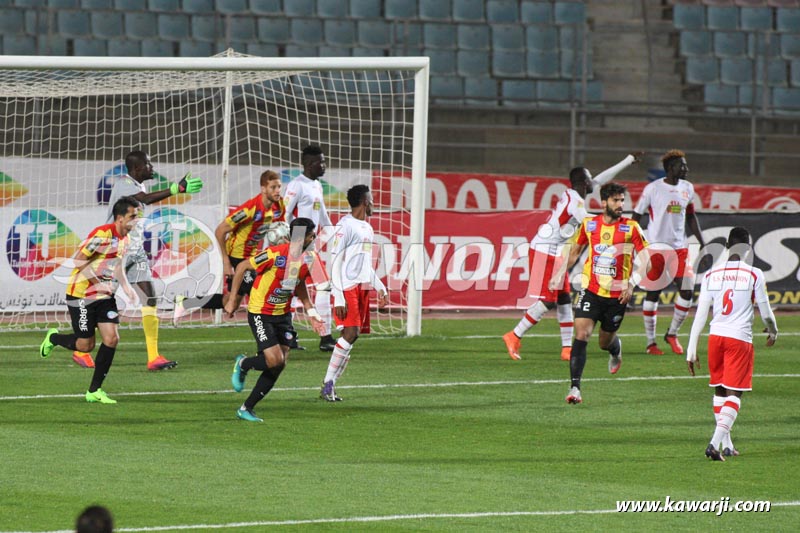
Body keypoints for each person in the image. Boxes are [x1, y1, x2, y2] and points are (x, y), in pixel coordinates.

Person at [503, 152, 643, 362]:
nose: (593, 182)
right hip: (543, 250)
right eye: (589, 179)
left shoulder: (573, 194)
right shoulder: (576, 203)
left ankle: (567, 348)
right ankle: (514, 335)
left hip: (554, 251)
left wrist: (628, 160)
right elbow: (591, 222)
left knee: (564, 298)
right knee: (549, 300)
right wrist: (614, 222)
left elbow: (602, 179)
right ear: (583, 182)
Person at [72, 150, 203, 371]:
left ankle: (153, 357)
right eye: (147, 164)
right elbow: (142, 200)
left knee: (150, 297)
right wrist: (176, 189)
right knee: (100, 300)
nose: (151, 167)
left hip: (135, 252)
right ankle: (79, 349)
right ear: (136, 169)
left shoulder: (138, 185)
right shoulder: (125, 183)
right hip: (113, 252)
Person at [550, 183, 650, 405]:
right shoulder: (589, 224)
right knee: (582, 334)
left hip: (617, 297)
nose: (620, 205)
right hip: (591, 291)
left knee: (604, 342)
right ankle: (575, 387)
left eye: (622, 200)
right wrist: (559, 274)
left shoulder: (631, 228)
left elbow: (647, 262)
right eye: (616, 200)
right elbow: (575, 252)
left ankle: (615, 349)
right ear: (603, 202)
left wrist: (631, 284)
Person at [686, 227, 778, 461]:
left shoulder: (710, 275)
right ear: (748, 248)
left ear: (727, 247)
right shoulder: (754, 273)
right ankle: (714, 444)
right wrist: (773, 331)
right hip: (739, 338)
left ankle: (727, 444)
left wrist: (691, 347)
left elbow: (700, 314)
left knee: (719, 390)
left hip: (715, 337)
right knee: (735, 394)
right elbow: (766, 312)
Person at [39, 197, 140, 404]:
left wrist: (127, 288)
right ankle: (54, 338)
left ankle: (94, 390)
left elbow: (118, 266)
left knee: (112, 339)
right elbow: (78, 260)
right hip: (82, 295)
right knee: (85, 346)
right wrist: (97, 283)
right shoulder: (102, 234)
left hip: (104, 297)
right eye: (133, 216)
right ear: (120, 218)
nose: (136, 221)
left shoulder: (126, 239)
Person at [225, 217, 326, 422]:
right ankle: (244, 364)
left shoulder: (309, 258)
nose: (314, 237)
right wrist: (234, 298)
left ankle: (247, 408)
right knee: (274, 360)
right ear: (299, 237)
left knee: (279, 365)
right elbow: (244, 266)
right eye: (310, 234)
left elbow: (298, 284)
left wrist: (312, 313)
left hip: (283, 315)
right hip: (261, 312)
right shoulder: (274, 254)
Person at [172, 169, 287, 329]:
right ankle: (273, 338)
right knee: (260, 292)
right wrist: (226, 262)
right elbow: (220, 231)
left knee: (229, 302)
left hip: (252, 255)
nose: (277, 191)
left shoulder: (279, 204)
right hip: (237, 257)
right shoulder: (250, 209)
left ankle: (185, 302)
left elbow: (281, 227)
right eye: (273, 187)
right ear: (263, 188)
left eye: (279, 187)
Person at [631, 149, 709, 356]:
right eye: (682, 165)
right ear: (670, 168)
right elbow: (636, 216)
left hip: (680, 248)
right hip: (656, 248)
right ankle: (650, 343)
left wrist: (703, 242)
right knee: (653, 293)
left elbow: (691, 217)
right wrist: (630, 243)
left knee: (687, 290)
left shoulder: (688, 188)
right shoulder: (652, 189)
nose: (686, 169)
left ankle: (672, 333)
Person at [320, 185, 388, 402]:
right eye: (372, 200)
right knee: (351, 333)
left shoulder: (367, 228)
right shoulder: (344, 226)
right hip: (347, 286)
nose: (374, 204)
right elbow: (335, 260)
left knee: (350, 337)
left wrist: (380, 287)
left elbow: (365, 264)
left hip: (362, 286)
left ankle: (330, 384)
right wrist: (338, 294)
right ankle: (328, 384)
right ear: (364, 201)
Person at [284, 145, 337, 352]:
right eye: (320, 162)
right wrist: (291, 242)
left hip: (310, 242)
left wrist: (335, 235)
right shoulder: (296, 185)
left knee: (323, 286)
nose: (324, 166)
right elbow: (285, 214)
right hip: (297, 241)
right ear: (308, 164)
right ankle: (288, 336)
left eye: (324, 161)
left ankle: (325, 336)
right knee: (289, 289)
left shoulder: (317, 185)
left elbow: (323, 215)